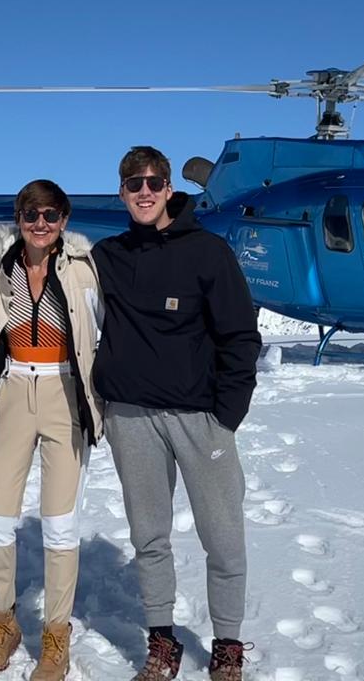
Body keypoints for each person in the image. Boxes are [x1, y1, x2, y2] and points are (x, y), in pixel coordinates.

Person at [92, 147, 262, 681]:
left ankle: (227, 645)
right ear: (122, 192)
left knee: (224, 539)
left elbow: (241, 336)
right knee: (149, 537)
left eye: (153, 182)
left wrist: (226, 415)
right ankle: (162, 641)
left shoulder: (208, 252)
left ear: (169, 189)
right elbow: (48, 282)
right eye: (133, 183)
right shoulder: (107, 256)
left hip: (200, 418)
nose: (144, 191)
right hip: (131, 418)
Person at [0, 179, 103, 681]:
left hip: (64, 393)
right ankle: (2, 624)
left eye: (50, 215)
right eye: (31, 214)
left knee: (60, 524)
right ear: (18, 218)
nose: (40, 223)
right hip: (11, 393)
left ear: (63, 220)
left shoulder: (84, 270)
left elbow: (108, 329)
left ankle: (56, 636)